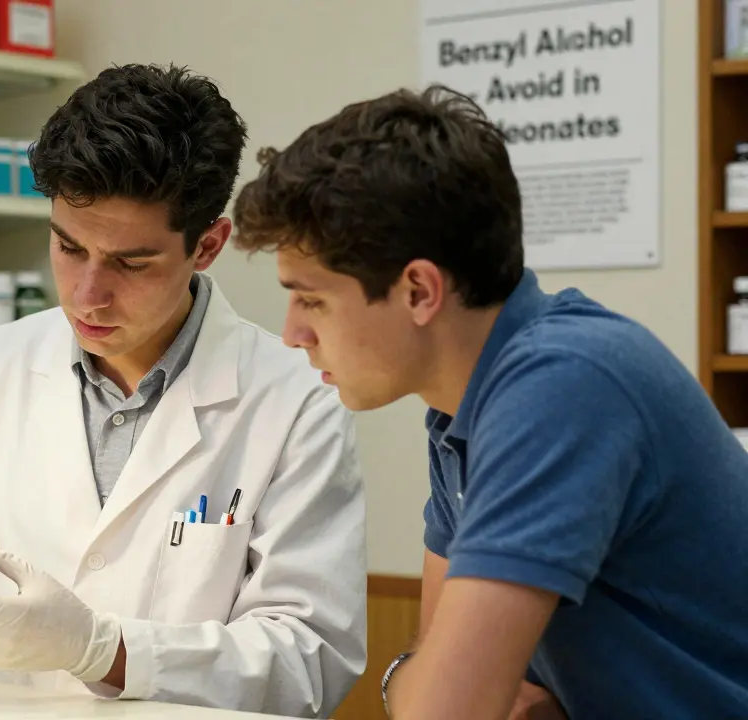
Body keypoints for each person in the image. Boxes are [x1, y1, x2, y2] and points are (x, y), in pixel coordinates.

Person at [0, 63, 367, 717]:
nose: (88, 295)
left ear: (208, 245)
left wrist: (102, 650)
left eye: (130, 263)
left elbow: (308, 660)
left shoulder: (295, 399)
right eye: (68, 247)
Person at [231, 83, 748, 719]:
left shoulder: (563, 386)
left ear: (419, 290)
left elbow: (444, 708)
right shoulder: (460, 408)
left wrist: (444, 688)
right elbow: (428, 673)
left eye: (310, 299)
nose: (292, 334)